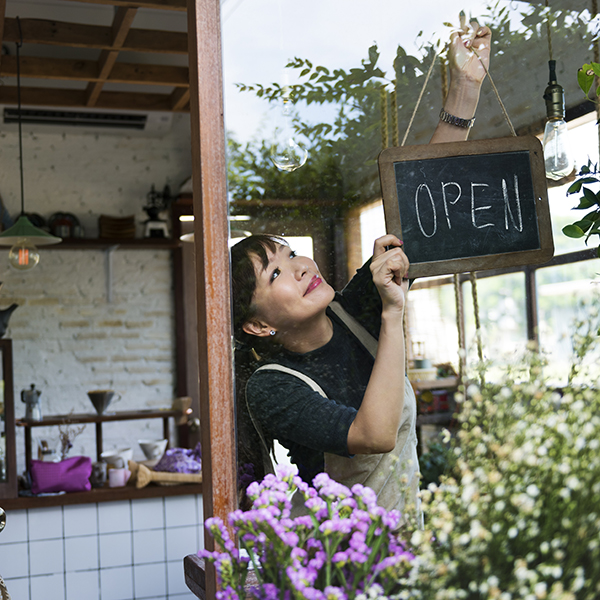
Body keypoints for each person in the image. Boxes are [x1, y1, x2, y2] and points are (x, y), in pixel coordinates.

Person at [232, 18, 492, 519]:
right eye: (276, 273)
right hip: (340, 565)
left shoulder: (354, 308)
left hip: (409, 536)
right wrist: (393, 315)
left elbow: (422, 210)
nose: (301, 266)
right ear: (259, 324)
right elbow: (371, 436)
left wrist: (464, 89)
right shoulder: (272, 384)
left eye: (291, 254)